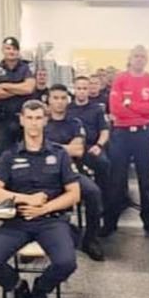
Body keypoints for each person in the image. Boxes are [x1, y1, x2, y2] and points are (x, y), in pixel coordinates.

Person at [0, 100, 81, 298]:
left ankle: (40, 290)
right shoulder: (10, 155)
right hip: (19, 220)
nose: (34, 124)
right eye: (30, 118)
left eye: (38, 118)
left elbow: (74, 194)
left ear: (45, 120)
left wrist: (44, 207)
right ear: (22, 120)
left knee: (66, 262)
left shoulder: (60, 154)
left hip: (51, 220)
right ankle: (19, 288)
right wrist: (28, 200)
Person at [104, 45, 149, 238]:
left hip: (144, 135)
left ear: (146, 59)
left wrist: (130, 104)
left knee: (146, 180)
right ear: (129, 58)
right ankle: (110, 222)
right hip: (121, 135)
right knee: (116, 179)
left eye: (142, 56)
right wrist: (140, 109)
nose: (139, 59)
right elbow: (115, 109)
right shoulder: (120, 79)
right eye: (136, 56)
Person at [45, 85, 105, 261]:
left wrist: (51, 147)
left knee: (93, 192)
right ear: (48, 100)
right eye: (55, 98)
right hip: (46, 174)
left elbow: (78, 150)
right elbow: (38, 149)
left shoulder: (75, 123)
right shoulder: (41, 122)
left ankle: (90, 240)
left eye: (63, 98)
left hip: (71, 173)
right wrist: (65, 148)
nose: (59, 102)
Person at [67, 76, 111, 220]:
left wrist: (99, 145)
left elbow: (105, 131)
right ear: (74, 90)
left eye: (84, 88)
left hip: (91, 147)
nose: (81, 92)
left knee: (104, 164)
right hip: (70, 149)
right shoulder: (67, 109)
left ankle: (101, 203)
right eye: (79, 88)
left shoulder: (97, 109)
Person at [0, 37, 36, 151]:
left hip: (26, 119)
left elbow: (29, 88)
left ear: (18, 51)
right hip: (4, 120)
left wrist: (5, 86)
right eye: (8, 48)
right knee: (5, 155)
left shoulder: (28, 66)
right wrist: (20, 88)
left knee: (28, 152)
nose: (11, 52)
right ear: (2, 50)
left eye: (14, 49)